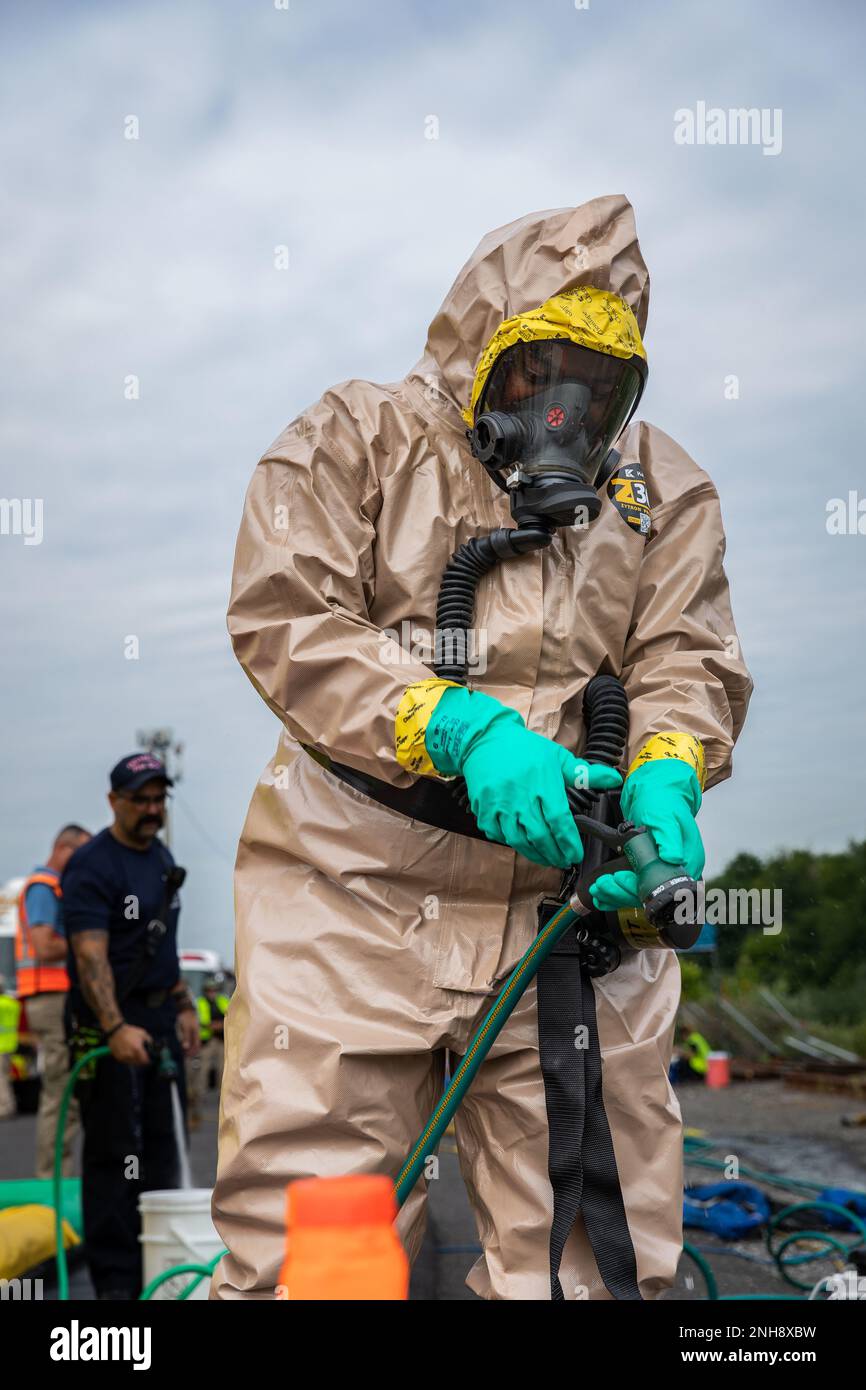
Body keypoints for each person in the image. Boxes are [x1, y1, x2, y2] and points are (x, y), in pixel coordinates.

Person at [212, 196, 753, 1301]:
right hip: (350, 904)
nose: (562, 409)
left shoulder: (660, 492)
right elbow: (283, 614)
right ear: (478, 345)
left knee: (598, 1268)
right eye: (534, 369)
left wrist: (665, 767)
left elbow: (686, 658)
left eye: (594, 387)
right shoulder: (355, 438)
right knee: (318, 1267)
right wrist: (450, 722)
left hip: (566, 915)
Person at [62, 752, 200, 1300]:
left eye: (158, 799)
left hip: (157, 1020)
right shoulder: (94, 865)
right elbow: (90, 958)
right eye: (139, 800)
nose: (151, 809)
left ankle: (159, 1280)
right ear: (113, 801)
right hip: (109, 1027)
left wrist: (183, 1004)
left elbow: (159, 945)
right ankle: (118, 1296)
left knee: (164, 1155)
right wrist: (115, 1027)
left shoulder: (159, 855)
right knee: (117, 1160)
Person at [16, 824, 91, 1176]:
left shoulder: (47, 887)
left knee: (64, 1093)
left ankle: (56, 1177)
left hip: (52, 997)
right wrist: (89, 943)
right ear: (63, 848)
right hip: (51, 998)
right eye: (82, 854)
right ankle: (52, 1181)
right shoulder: (45, 887)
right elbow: (45, 946)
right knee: (62, 1095)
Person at [186, 976, 229, 1129]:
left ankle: (224, 1104)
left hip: (222, 1042)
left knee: (223, 1073)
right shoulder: (200, 1003)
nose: (212, 992)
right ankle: (197, 1104)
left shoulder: (224, 1000)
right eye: (209, 990)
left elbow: (230, 1016)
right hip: (206, 1043)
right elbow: (201, 1022)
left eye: (214, 990)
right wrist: (215, 1025)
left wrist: (218, 1024)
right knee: (201, 1074)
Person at [0, 976, 22, 1119]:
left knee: (1, 1079)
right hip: (10, 1044)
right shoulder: (13, 1003)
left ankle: (5, 1108)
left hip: (0, 1046)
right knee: (6, 1077)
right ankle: (10, 1105)